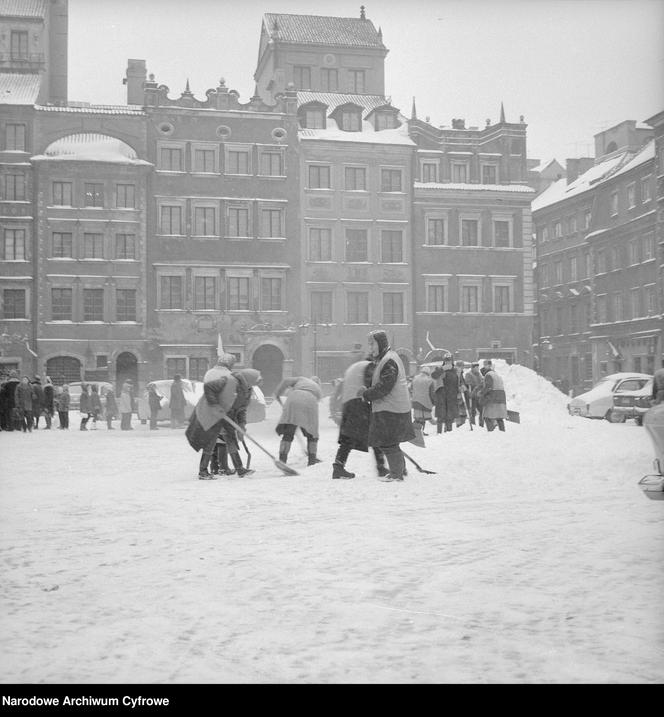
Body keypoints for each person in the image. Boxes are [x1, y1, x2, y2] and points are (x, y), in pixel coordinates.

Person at [358, 330, 415, 483]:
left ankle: (397, 474)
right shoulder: (387, 359)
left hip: (392, 409)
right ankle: (399, 470)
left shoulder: (389, 360)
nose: (370, 348)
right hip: (393, 407)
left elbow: (385, 386)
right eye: (369, 344)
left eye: (372, 344)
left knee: (387, 442)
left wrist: (367, 394)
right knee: (390, 442)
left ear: (381, 343)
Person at [331, 358, 389, 480]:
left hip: (348, 405)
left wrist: (335, 407)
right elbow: (372, 386)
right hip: (360, 403)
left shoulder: (351, 369)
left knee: (347, 438)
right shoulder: (369, 366)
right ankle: (381, 467)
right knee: (375, 434)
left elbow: (338, 391)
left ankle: (338, 467)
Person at [185, 353, 239, 480]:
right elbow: (225, 393)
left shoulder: (209, 372)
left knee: (213, 440)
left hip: (205, 408)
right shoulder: (228, 375)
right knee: (222, 439)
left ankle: (214, 466)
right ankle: (216, 468)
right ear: (229, 363)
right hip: (219, 409)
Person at [214, 368, 262, 477]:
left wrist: (242, 425)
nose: (254, 385)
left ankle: (222, 468)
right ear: (248, 380)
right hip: (222, 415)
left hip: (231, 416)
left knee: (225, 440)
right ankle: (238, 469)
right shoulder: (232, 385)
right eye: (254, 382)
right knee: (228, 440)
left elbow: (242, 409)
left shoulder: (248, 390)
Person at [275, 375, 323, 466]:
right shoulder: (319, 391)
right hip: (310, 402)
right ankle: (312, 460)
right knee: (312, 434)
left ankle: (282, 460)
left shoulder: (301, 379)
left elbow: (286, 380)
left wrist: (277, 394)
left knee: (288, 434)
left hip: (294, 399)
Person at [432, 358, 459, 433]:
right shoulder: (440, 369)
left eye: (449, 361)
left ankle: (449, 433)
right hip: (442, 396)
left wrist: (459, 390)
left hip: (451, 396)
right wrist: (442, 369)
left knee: (450, 417)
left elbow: (457, 383)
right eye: (446, 361)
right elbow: (433, 375)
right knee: (441, 416)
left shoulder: (454, 371)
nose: (448, 362)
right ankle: (439, 433)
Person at [480, 360, 508, 432]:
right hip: (501, 397)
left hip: (493, 398)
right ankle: (502, 432)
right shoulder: (496, 374)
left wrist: (481, 393)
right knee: (499, 417)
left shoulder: (488, 375)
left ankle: (491, 432)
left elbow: (488, 387)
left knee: (487, 416)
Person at [411, 366, 435, 437]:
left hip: (415, 401)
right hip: (425, 402)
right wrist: (433, 402)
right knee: (423, 418)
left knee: (417, 418)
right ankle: (418, 432)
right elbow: (432, 393)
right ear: (428, 373)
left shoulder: (415, 378)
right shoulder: (429, 380)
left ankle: (415, 432)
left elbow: (411, 388)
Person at [464, 362, 484, 427]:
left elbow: (481, 382)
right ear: (472, 368)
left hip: (479, 395)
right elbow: (468, 383)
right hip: (472, 395)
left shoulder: (479, 374)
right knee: (472, 411)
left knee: (481, 410)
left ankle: (481, 424)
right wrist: (476, 385)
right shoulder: (468, 374)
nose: (477, 369)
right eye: (476, 367)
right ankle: (473, 424)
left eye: (478, 367)